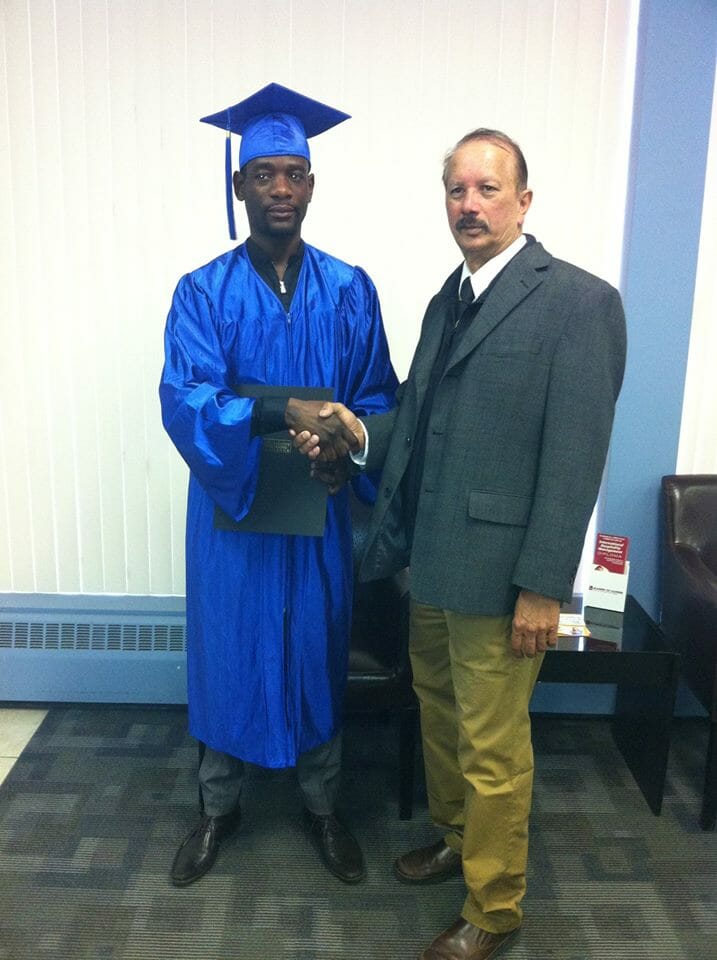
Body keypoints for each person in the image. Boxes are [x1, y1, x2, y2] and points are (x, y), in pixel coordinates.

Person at [295, 128, 626, 959]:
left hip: (503, 577)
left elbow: (574, 459)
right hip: (430, 564)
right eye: (456, 190)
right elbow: (415, 419)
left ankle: (495, 908)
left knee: (492, 750)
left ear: (523, 200)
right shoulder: (449, 299)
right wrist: (353, 431)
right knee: (441, 724)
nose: (468, 205)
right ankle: (456, 841)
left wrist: (543, 586)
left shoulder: (579, 304)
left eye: (486, 188)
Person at [159, 83, 397, 889]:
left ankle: (322, 807)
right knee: (228, 651)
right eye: (263, 174)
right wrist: (276, 410)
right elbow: (186, 399)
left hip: (317, 509)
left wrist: (343, 454)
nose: (280, 189)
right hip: (233, 510)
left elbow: (378, 399)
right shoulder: (202, 292)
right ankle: (216, 808)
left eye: (293, 173)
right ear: (240, 186)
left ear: (312, 185)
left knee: (315, 648)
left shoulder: (349, 289)